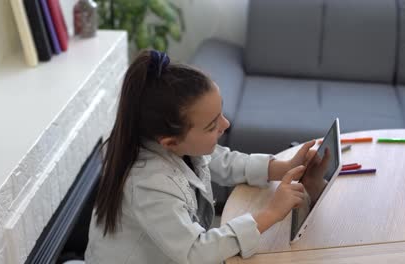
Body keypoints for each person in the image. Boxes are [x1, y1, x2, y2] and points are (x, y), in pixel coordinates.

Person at [84, 50, 321, 264]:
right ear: (170, 141)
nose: (225, 124)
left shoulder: (177, 145)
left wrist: (284, 167)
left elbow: (225, 162)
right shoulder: (148, 184)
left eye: (221, 113)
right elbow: (195, 252)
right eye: (211, 125)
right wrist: (269, 214)